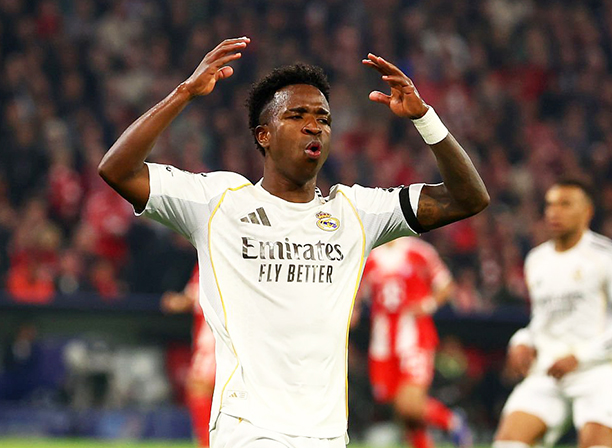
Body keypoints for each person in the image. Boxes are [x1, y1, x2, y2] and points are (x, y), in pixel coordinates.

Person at [98, 36, 489, 447]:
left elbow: (468, 198)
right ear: (263, 135)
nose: (314, 125)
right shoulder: (218, 203)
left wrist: (424, 117)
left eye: (323, 118)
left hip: (327, 435)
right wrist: (185, 93)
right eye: (297, 115)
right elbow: (118, 169)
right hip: (249, 431)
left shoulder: (355, 213)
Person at [494, 179, 612, 448]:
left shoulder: (605, 257)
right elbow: (542, 319)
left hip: (598, 372)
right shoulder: (536, 260)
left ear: (587, 212)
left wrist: (580, 357)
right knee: (507, 444)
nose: (554, 212)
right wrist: (522, 340)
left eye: (565, 204)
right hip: (547, 371)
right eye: (550, 205)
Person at [359, 238, 472, 448]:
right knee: (405, 414)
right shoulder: (369, 255)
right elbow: (357, 293)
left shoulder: (418, 251)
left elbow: (445, 285)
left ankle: (451, 421)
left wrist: (428, 304)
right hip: (382, 344)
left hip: (414, 338)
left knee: (409, 404)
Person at [162, 264, 215, 448]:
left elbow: (196, 297)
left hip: (214, 338)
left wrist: (176, 302)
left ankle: (207, 443)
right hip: (210, 338)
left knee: (200, 387)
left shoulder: (213, 259)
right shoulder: (201, 265)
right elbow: (194, 296)